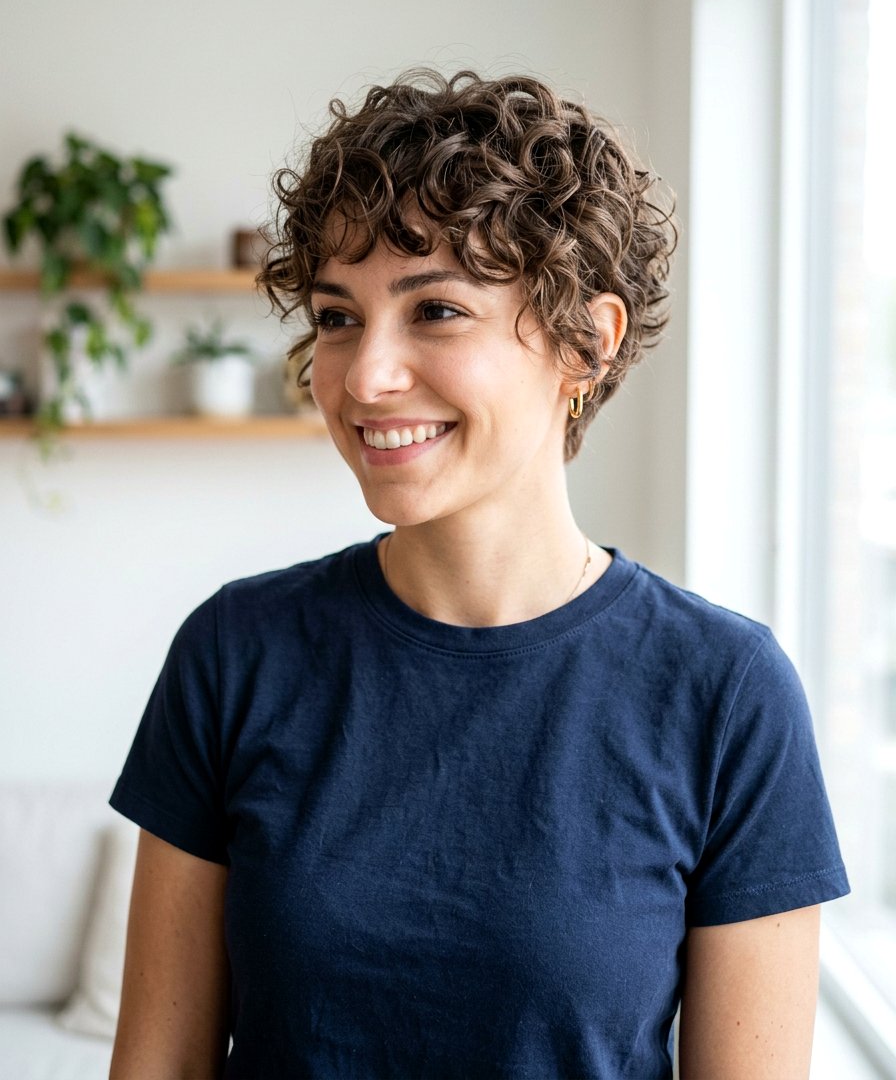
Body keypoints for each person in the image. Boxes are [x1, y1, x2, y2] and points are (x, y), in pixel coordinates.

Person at [108, 69, 849, 1080]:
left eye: (437, 311)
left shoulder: (724, 694)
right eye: (335, 317)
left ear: (586, 340)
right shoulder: (235, 653)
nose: (365, 376)